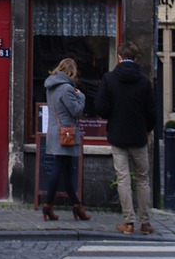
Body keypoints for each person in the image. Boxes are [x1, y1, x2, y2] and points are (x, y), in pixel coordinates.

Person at [95, 40, 155, 235]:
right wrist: (147, 128)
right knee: (143, 179)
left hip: (118, 135)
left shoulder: (109, 79)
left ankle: (128, 222)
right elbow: (151, 112)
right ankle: (145, 222)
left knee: (123, 179)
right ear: (136, 58)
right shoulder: (144, 81)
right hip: (138, 135)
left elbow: (101, 107)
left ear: (119, 57)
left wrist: (112, 115)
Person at [41, 58, 90, 222]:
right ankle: (48, 205)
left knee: (67, 171)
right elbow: (76, 111)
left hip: (55, 131)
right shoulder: (66, 88)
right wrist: (81, 96)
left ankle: (76, 205)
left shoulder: (51, 87)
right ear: (71, 72)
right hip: (65, 135)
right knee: (60, 169)